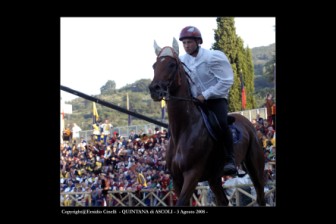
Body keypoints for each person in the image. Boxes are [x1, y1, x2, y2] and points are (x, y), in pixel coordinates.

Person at [178, 26, 237, 175]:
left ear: (198, 42)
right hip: (194, 102)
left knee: (221, 123)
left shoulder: (213, 57)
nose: (186, 46)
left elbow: (226, 81)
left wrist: (205, 95)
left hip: (216, 99)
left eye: (189, 42)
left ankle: (230, 159)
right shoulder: (182, 60)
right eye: (184, 43)